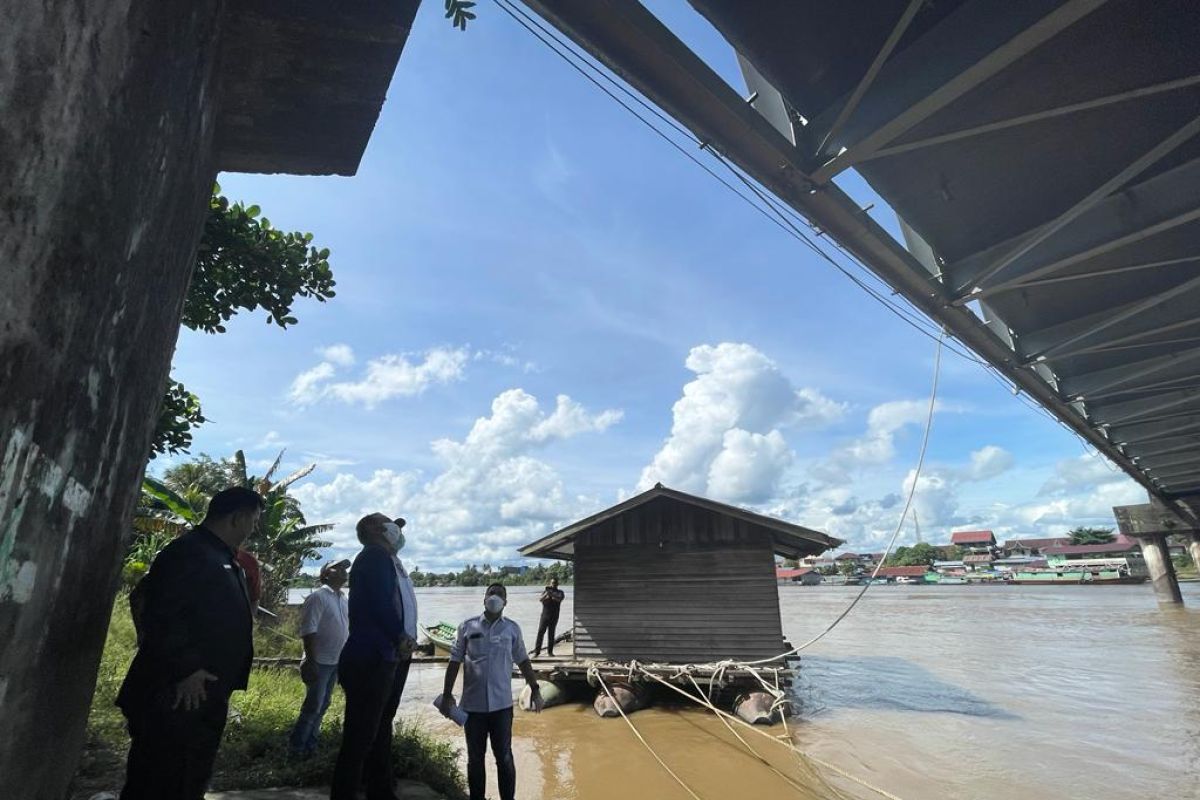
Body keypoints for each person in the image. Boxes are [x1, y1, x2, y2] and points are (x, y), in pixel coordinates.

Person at [116, 486, 264, 800]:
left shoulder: (223, 557)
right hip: (178, 692)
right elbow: (161, 614)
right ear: (238, 517)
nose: (254, 528)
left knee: (189, 776)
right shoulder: (189, 552)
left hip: (204, 694)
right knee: (160, 778)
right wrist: (186, 669)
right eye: (254, 520)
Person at [330, 514, 418, 800]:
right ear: (370, 529)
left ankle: (381, 788)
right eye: (387, 523)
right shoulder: (375, 556)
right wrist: (401, 636)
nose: (393, 527)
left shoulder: (387, 558)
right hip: (372, 656)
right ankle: (345, 793)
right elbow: (382, 605)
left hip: (385, 654)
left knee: (378, 727)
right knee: (360, 737)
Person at [438, 584, 544, 800]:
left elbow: (523, 660)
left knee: (504, 757)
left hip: (502, 707)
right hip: (472, 707)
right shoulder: (467, 627)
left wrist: (535, 688)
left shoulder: (512, 629)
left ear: (506, 602)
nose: (495, 597)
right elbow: (454, 660)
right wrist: (447, 693)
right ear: (484, 599)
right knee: (475, 759)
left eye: (500, 594)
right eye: (491, 593)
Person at [287, 558, 351, 757]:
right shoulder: (318, 597)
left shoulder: (342, 598)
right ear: (325, 574)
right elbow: (309, 631)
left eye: (344, 567)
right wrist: (311, 661)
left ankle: (310, 747)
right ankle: (296, 751)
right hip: (320, 661)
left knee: (323, 705)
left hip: (335, 661)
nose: (342, 570)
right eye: (337, 567)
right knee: (312, 707)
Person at [532, 577, 565, 657]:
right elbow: (540, 599)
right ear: (550, 583)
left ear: (557, 584)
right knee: (540, 633)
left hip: (554, 616)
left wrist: (552, 594)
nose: (553, 585)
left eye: (555, 583)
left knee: (551, 633)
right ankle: (537, 651)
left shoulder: (560, 592)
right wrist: (547, 594)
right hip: (545, 616)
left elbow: (559, 599)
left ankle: (550, 652)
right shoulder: (545, 592)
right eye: (552, 583)